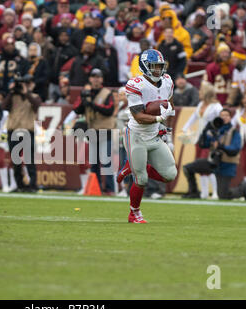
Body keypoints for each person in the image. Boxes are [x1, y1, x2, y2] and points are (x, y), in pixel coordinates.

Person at [116, 49, 177, 223]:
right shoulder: (136, 84)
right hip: (136, 134)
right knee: (141, 179)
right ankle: (134, 213)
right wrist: (159, 118)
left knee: (170, 175)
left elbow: (170, 107)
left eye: (159, 66)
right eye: (154, 67)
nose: (158, 70)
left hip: (154, 135)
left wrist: (167, 131)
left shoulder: (167, 81)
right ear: (144, 66)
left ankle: (133, 166)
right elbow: (138, 116)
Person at [183, 109, 246, 201]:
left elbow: (235, 150)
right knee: (188, 168)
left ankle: (242, 188)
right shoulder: (215, 130)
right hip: (214, 162)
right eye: (221, 115)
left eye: (226, 115)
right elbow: (203, 144)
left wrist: (221, 146)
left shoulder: (234, 132)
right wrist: (205, 130)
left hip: (227, 164)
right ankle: (193, 192)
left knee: (223, 195)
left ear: (230, 118)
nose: (223, 117)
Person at [73, 68, 116, 195]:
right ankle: (95, 188)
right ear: (90, 79)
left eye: (98, 77)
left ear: (101, 79)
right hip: (92, 131)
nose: (96, 79)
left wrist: (92, 105)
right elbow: (77, 109)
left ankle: (110, 189)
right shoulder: (86, 92)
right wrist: (83, 101)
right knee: (94, 163)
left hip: (104, 130)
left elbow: (109, 109)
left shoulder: (107, 93)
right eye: (93, 77)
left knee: (106, 162)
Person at [181, 82, 223, 199]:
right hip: (199, 139)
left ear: (206, 93)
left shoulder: (216, 107)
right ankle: (204, 193)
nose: (199, 93)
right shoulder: (200, 105)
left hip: (210, 139)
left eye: (201, 91)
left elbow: (221, 122)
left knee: (207, 165)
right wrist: (184, 129)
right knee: (199, 166)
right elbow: (193, 118)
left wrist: (217, 137)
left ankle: (215, 192)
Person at [1, 74, 41, 192]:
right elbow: (3, 106)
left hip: (27, 131)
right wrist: (11, 91)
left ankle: (33, 185)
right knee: (16, 161)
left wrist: (26, 93)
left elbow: (37, 105)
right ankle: (19, 185)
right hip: (13, 130)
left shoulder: (34, 96)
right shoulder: (13, 97)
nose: (25, 86)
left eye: (27, 83)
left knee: (29, 160)